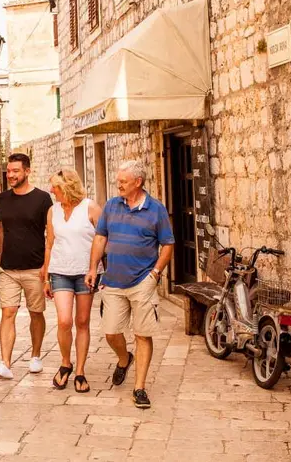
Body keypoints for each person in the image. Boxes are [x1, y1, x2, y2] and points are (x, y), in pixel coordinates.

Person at [85, 160, 174, 409]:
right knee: (111, 332)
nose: (118, 184)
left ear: (138, 182)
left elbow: (167, 244)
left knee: (142, 333)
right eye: (118, 180)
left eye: (123, 181)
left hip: (142, 281)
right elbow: (101, 237)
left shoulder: (156, 209)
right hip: (113, 280)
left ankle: (140, 388)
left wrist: (155, 274)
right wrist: (93, 268)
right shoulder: (112, 206)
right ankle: (124, 359)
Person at [0, 153, 52, 379]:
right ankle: (5, 363)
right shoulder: (3, 199)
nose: (11, 175)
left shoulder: (43, 199)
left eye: (15, 171)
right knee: (8, 313)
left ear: (27, 171)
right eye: (9, 171)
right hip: (9, 269)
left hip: (35, 268)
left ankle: (35, 356)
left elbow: (51, 235)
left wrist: (47, 266)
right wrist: (1, 259)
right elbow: (2, 230)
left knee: (36, 313)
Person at [42, 169, 102, 392]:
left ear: (67, 187)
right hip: (59, 271)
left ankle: (80, 371)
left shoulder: (91, 207)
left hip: (85, 273)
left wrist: (97, 268)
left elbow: (103, 239)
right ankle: (66, 363)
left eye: (55, 187)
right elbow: (49, 243)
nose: (51, 190)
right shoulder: (52, 211)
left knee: (82, 322)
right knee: (64, 320)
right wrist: (46, 277)